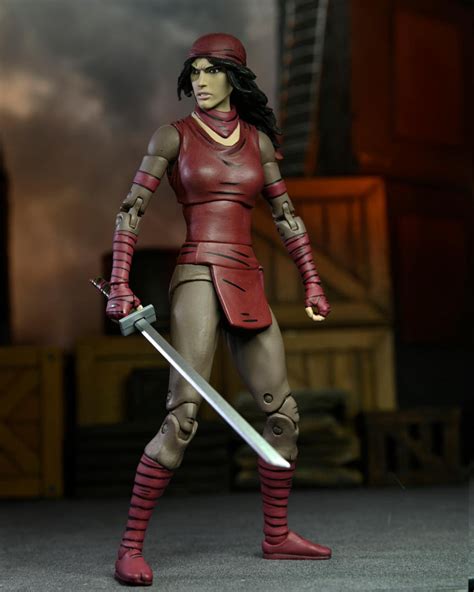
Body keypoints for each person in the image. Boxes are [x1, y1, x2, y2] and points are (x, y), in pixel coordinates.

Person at [106, 33, 332, 586]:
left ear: (235, 77)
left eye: (211, 71)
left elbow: (286, 216)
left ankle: (277, 535)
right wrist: (119, 282)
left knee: (283, 417)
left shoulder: (258, 142)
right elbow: (132, 209)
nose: (200, 81)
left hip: (246, 277)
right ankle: (129, 547)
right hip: (197, 276)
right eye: (194, 72)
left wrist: (312, 280)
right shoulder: (174, 135)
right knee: (182, 418)